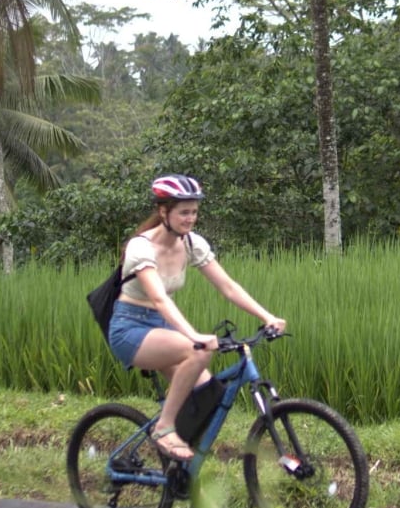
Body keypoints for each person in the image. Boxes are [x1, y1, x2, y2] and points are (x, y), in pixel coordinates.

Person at [106, 174, 286, 461]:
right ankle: (164, 428)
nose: (190, 219)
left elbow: (228, 286)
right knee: (197, 353)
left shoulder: (191, 244)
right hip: (131, 328)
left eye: (194, 212)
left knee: (208, 394)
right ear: (163, 211)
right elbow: (159, 298)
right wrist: (194, 336)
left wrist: (267, 316)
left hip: (162, 328)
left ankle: (176, 465)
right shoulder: (141, 247)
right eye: (184, 212)